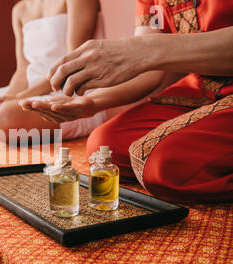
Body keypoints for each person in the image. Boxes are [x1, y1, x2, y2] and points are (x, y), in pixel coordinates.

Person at [20, 0, 233, 203]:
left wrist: (142, 49)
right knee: (104, 147)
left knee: (160, 163)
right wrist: (92, 102)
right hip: (199, 88)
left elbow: (144, 52)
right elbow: (148, 70)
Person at [0, 0, 106, 142]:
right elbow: (22, 71)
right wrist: (8, 98)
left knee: (1, 120)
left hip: (71, 92)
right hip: (30, 91)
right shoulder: (20, 10)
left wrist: (20, 98)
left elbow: (72, 66)